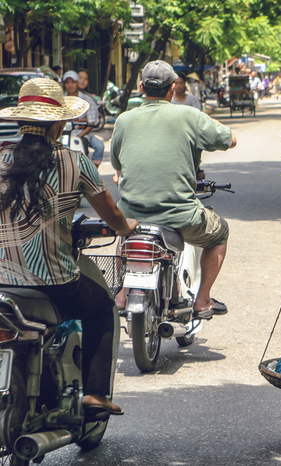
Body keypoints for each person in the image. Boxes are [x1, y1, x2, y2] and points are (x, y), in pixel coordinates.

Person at [0, 78, 138, 414]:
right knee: (103, 308)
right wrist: (126, 227)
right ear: (60, 123)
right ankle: (94, 394)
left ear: (20, 120)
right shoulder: (75, 162)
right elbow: (112, 214)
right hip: (55, 283)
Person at [111, 60, 237, 319]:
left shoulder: (124, 120)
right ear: (172, 89)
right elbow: (230, 139)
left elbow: (117, 166)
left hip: (132, 216)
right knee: (220, 233)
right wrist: (204, 118)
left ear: (141, 87)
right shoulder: (189, 115)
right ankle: (202, 300)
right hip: (180, 216)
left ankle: (123, 293)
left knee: (126, 236)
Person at [63, 70, 104, 168]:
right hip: (63, 135)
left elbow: (92, 122)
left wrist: (79, 136)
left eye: (73, 82)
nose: (70, 85)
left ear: (77, 83)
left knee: (98, 147)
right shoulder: (60, 99)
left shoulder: (87, 99)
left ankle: (92, 172)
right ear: (64, 84)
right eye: (67, 82)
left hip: (83, 134)